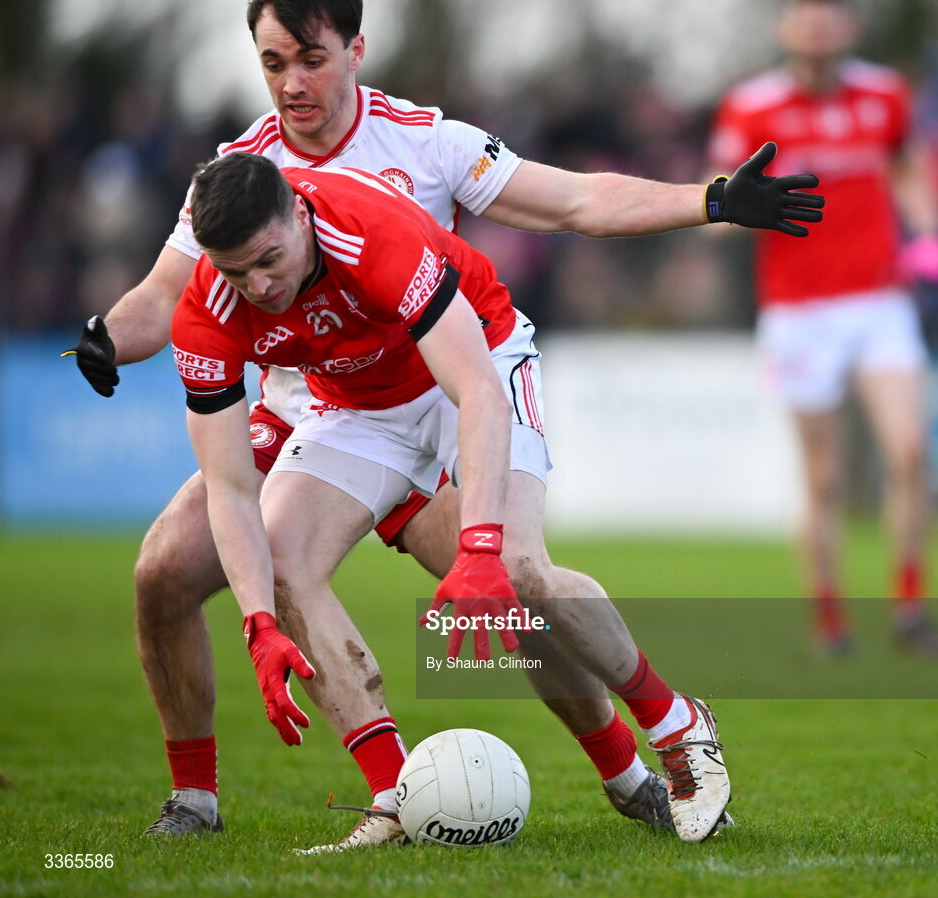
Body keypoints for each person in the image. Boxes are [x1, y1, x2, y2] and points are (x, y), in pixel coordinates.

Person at [66, 0, 821, 846]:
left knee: (514, 586)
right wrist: (108, 335)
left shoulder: (416, 153)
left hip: (454, 376)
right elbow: (166, 298)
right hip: (326, 404)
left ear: (356, 50)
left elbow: (573, 202)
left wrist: (714, 198)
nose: (292, 82)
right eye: (273, 62)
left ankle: (653, 744)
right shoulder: (235, 182)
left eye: (310, 58)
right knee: (197, 568)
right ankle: (337, 799)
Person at [174, 151, 738, 847]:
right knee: (283, 556)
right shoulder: (207, 308)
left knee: (521, 570)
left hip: (475, 365)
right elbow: (229, 488)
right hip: (356, 407)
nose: (257, 285)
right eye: (235, 271)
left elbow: (475, 391)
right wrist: (259, 623)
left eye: (269, 259)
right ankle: (394, 798)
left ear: (299, 213)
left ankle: (676, 724)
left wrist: (478, 548)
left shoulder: (372, 234)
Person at [708, 0, 938, 655]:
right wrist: (732, 210)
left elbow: (903, 169)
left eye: (830, 25)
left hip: (879, 301)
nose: (819, 37)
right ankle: (831, 619)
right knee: (825, 476)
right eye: (807, 26)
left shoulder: (885, 94)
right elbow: (714, 200)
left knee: (910, 450)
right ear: (787, 31)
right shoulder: (754, 106)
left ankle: (906, 607)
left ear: (849, 29)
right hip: (799, 313)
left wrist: (925, 231)